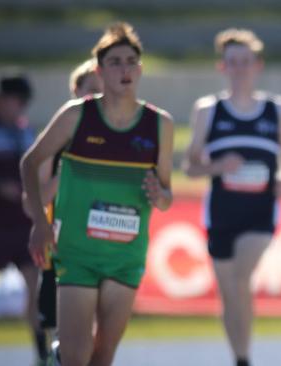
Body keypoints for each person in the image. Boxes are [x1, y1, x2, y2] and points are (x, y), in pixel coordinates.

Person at [20, 22, 174, 366]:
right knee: (77, 357)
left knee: (102, 357)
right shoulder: (77, 115)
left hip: (125, 255)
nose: (124, 69)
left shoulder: (159, 124)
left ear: (140, 69)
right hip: (77, 253)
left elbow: (166, 196)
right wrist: (41, 224)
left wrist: (157, 194)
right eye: (115, 62)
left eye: (130, 61)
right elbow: (30, 164)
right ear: (100, 71)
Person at [182, 28, 281, 366]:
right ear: (222, 67)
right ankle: (241, 357)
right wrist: (218, 165)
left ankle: (243, 357)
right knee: (229, 293)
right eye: (232, 62)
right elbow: (189, 166)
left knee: (241, 278)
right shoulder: (208, 110)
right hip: (221, 213)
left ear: (257, 65)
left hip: (260, 212)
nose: (239, 68)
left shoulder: (276, 108)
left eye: (245, 61)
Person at [34, 58, 104, 364]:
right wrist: (68, 172)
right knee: (62, 333)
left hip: (101, 244)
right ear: (75, 91)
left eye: (103, 93)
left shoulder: (114, 140)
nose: (97, 100)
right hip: (61, 246)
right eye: (91, 92)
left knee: (95, 333)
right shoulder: (56, 138)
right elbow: (35, 197)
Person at [0, 73, 48, 365]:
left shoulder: (26, 131)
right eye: (18, 102)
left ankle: (40, 352)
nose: (21, 109)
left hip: (22, 223)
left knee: (35, 288)